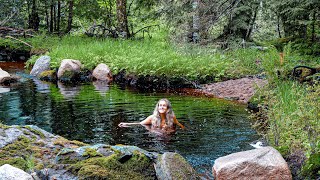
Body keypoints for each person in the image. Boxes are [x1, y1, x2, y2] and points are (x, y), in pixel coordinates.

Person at [118, 98, 185, 133]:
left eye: (164, 106)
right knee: (157, 132)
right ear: (158, 107)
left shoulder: (171, 117)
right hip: (156, 137)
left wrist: (184, 129)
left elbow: (178, 124)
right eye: (160, 105)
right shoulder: (152, 118)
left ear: (167, 108)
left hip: (168, 137)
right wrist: (126, 124)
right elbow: (140, 124)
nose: (161, 107)